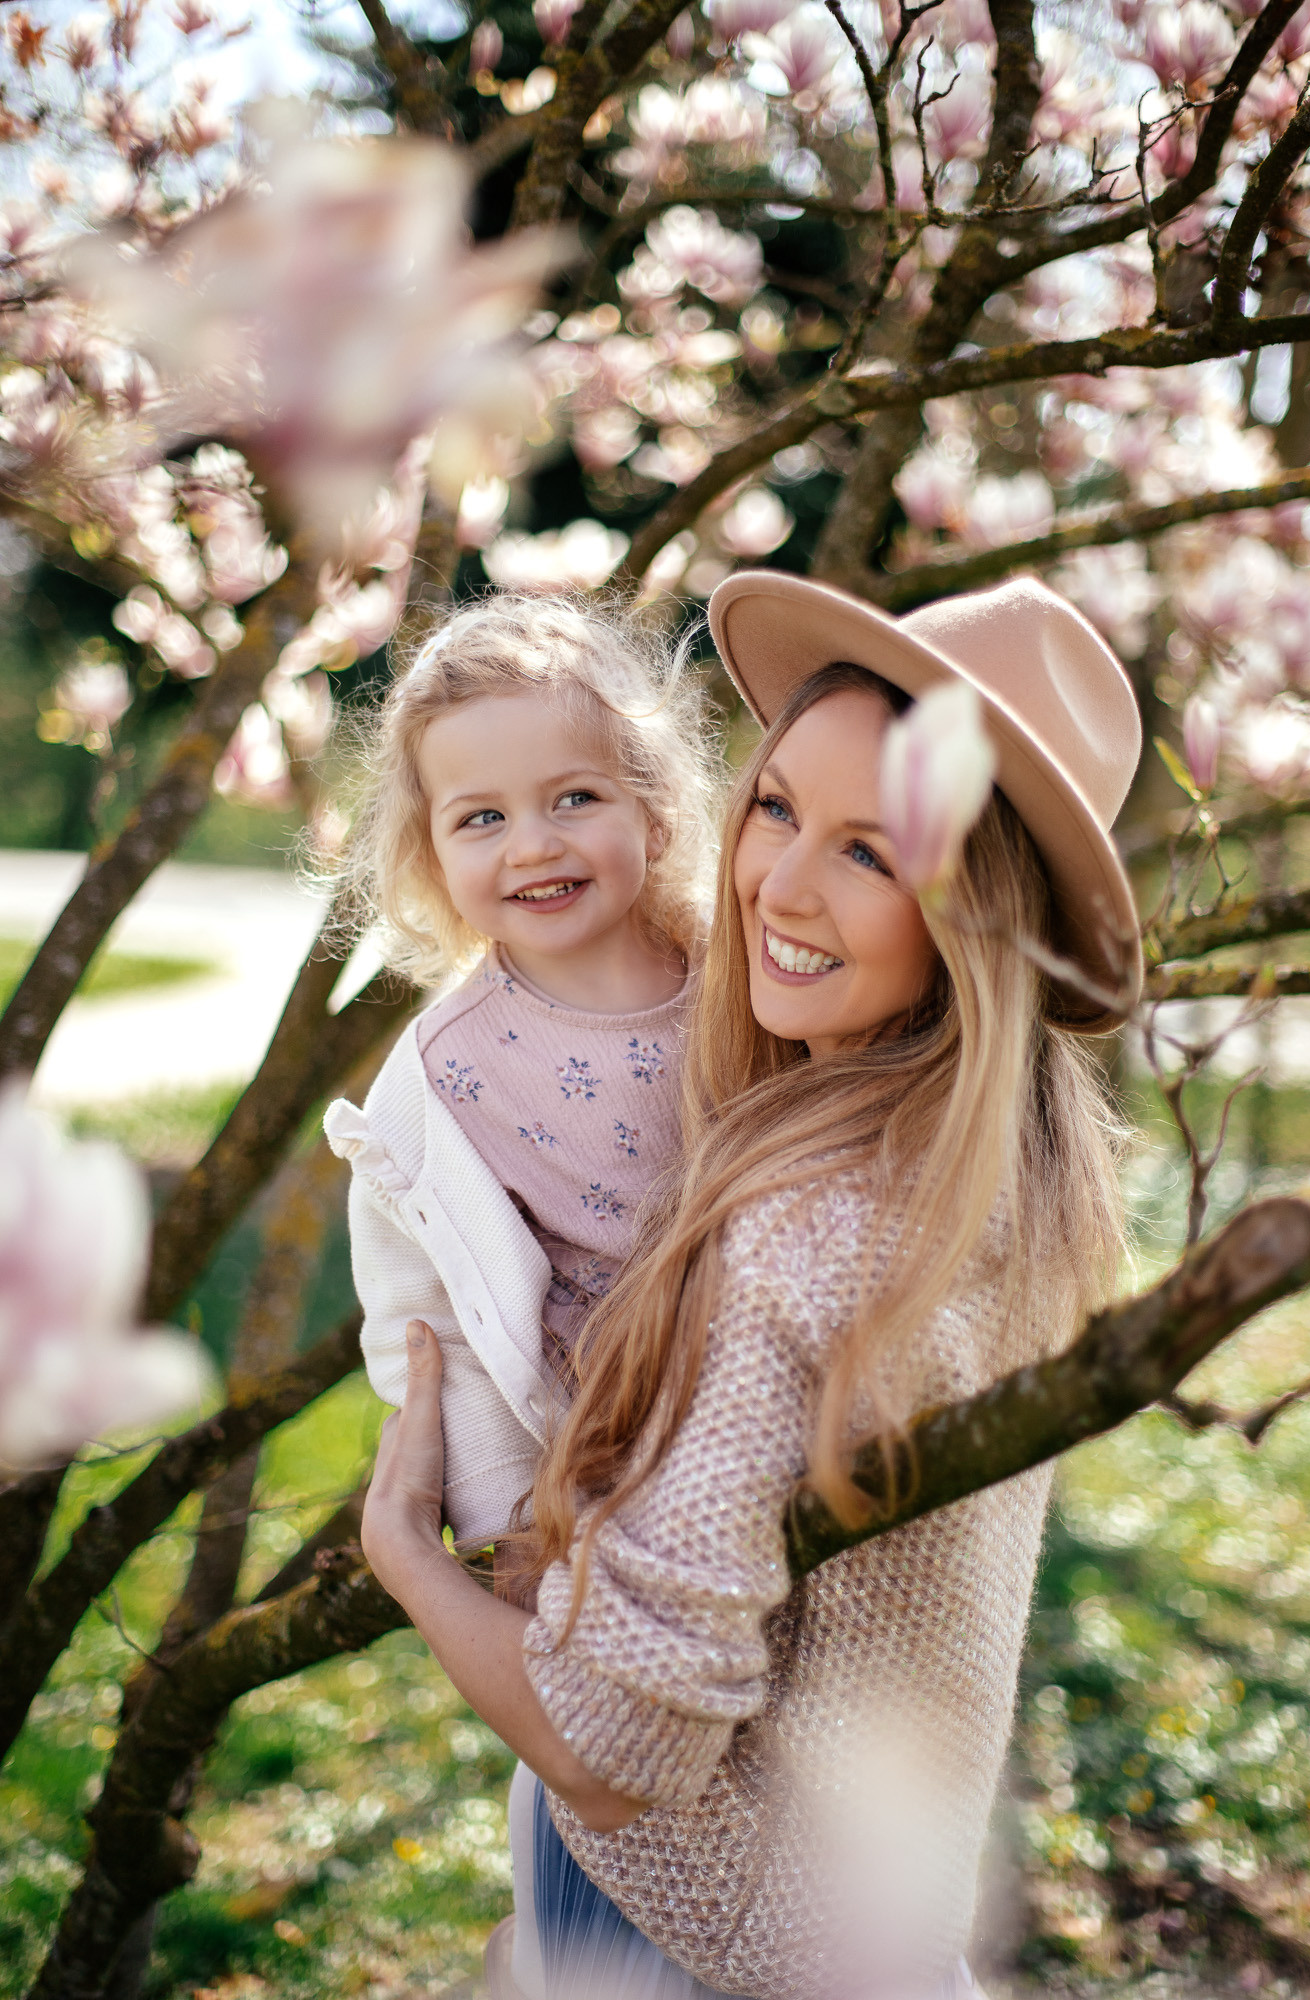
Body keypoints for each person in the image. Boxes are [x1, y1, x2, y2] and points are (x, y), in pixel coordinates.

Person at [358, 573, 1144, 2000]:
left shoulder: (808, 1230)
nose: (773, 886)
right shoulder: (988, 1170)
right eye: (775, 807)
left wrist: (408, 1554)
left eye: (870, 850)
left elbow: (613, 1758)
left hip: (699, 1925)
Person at [322, 592, 718, 1995]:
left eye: (573, 797)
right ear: (425, 853)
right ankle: (565, 1948)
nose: (534, 844)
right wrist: (501, 1522)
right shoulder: (441, 1077)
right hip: (595, 1467)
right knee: (614, 1776)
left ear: (652, 801)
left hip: (755, 1411)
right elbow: (429, 1325)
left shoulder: (736, 973)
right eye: (479, 818)